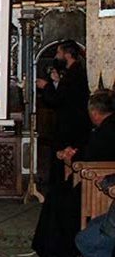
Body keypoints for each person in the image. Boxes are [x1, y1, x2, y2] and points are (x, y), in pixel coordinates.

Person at [34, 89, 115, 257]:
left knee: (59, 199)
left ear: (94, 112)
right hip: (100, 176)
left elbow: (91, 157)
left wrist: (71, 156)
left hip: (97, 182)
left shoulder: (106, 131)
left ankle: (59, 250)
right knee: (59, 194)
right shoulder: (107, 127)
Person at [36, 40, 92, 187]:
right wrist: (56, 82)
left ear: (67, 55)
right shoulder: (73, 72)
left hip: (71, 126)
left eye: (59, 53)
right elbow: (65, 93)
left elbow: (58, 99)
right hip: (71, 123)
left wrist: (46, 86)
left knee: (63, 159)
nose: (56, 56)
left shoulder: (74, 74)